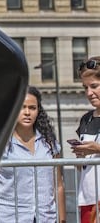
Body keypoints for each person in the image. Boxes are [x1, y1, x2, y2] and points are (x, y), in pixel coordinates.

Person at [0, 86, 65, 223]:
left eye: (32, 108)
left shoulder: (50, 144)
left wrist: (62, 219)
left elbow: (59, 186)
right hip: (9, 218)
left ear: (38, 111)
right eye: (22, 107)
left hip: (46, 218)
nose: (27, 112)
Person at [71, 57, 100, 223]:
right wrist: (80, 157)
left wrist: (98, 149)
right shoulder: (85, 119)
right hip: (88, 198)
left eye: (94, 86)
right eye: (85, 87)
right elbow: (82, 168)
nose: (89, 93)